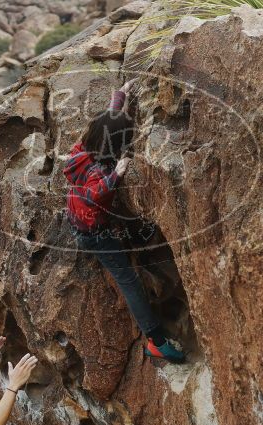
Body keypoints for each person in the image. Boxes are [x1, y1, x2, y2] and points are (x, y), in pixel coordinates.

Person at [64, 79, 185, 364]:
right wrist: (116, 174)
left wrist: (120, 96)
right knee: (128, 281)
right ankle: (156, 341)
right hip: (95, 233)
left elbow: (107, 127)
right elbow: (95, 194)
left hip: (80, 220)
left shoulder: (80, 148)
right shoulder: (99, 170)